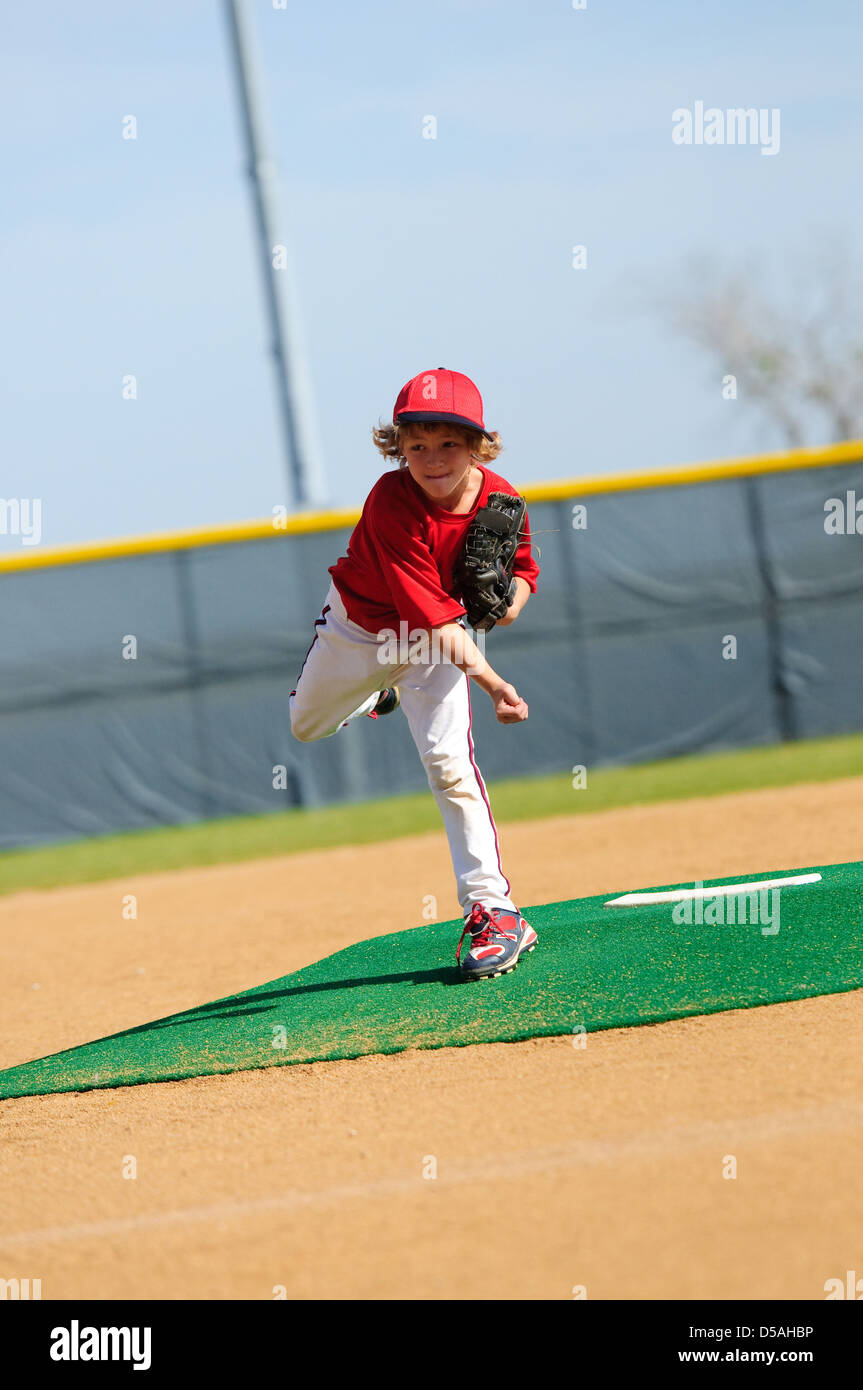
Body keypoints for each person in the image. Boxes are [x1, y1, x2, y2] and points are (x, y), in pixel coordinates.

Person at [290, 368, 540, 979]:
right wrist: (496, 683)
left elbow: (524, 577)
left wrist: (506, 606)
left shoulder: (500, 498)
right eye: (416, 443)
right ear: (396, 444)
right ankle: (376, 694)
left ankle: (493, 910)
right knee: (305, 728)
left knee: (449, 765)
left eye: (448, 442)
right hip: (361, 631)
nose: (431, 458)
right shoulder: (390, 500)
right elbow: (429, 620)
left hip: (438, 645)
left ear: (479, 444)